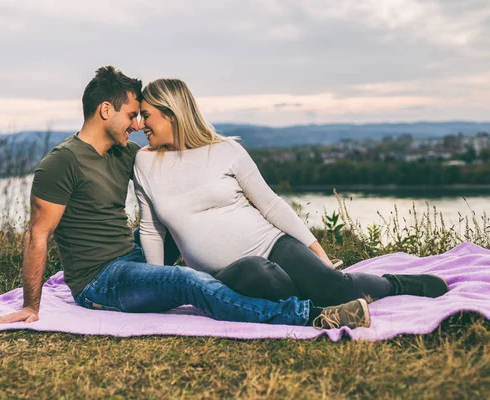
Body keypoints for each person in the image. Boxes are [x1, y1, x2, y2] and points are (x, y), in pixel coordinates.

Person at [0, 66, 372, 330]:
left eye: (143, 117)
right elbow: (36, 235)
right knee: (185, 280)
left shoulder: (125, 154)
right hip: (101, 281)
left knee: (178, 217)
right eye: (131, 115)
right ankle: (311, 315)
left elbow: (167, 188)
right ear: (105, 110)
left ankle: (236, 277)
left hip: (131, 259)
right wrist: (31, 305)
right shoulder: (61, 163)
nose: (138, 124)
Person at [133, 78, 449, 308]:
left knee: (335, 289)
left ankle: (393, 284)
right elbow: (151, 230)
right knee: (262, 277)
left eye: (145, 114)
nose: (140, 123)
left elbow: (270, 204)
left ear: (171, 111)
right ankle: (310, 301)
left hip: (274, 244)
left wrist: (317, 252)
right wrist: (160, 285)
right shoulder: (145, 163)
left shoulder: (227, 151)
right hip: (227, 272)